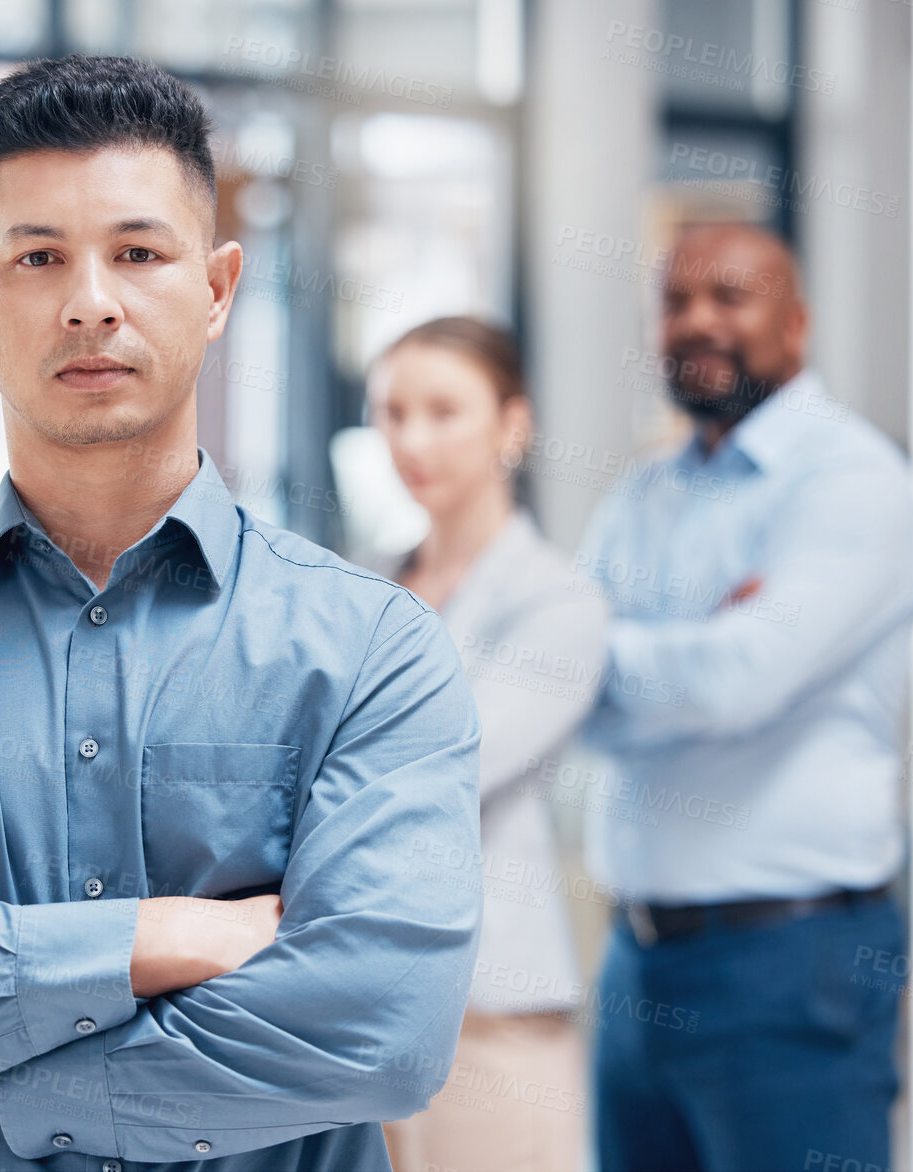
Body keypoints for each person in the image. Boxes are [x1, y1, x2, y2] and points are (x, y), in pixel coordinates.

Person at [0, 53, 484, 1172]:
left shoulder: (369, 649)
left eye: (138, 252)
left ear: (215, 289)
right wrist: (172, 934)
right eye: (39, 256)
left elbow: (382, 1022)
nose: (89, 299)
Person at [577, 223, 913, 1172]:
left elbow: (736, 682)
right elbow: (557, 676)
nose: (697, 322)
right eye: (676, 301)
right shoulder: (643, 494)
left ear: (797, 323)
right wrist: (675, 656)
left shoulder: (852, 481)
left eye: (730, 297)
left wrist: (636, 658)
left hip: (789, 965)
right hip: (637, 963)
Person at [366, 316, 604, 1172]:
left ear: (513, 425)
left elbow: (441, 775)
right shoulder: (363, 589)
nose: (410, 438)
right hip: (357, 1011)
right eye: (390, 412)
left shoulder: (557, 601)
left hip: (491, 1012)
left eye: (442, 410)